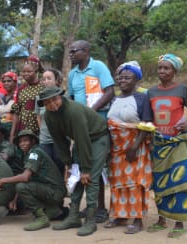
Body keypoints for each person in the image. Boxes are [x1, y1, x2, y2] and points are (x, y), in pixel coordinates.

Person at [38, 87, 110, 236]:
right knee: (76, 178)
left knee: (90, 177)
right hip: (81, 141)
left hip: (97, 138)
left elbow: (83, 138)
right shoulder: (49, 117)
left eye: (55, 99)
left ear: (60, 97)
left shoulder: (73, 111)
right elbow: (59, 141)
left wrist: (85, 168)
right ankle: (73, 217)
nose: (53, 104)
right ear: (44, 105)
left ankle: (90, 220)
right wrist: (69, 163)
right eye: (48, 103)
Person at [146, 54, 187, 238]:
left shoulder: (183, 89)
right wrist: (148, 138)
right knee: (160, 183)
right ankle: (162, 219)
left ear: (175, 71)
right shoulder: (151, 92)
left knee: (179, 183)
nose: (162, 71)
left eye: (167, 68)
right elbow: (148, 119)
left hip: (178, 143)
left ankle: (179, 221)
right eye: (160, 68)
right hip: (159, 144)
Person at [68, 40, 115, 223]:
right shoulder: (72, 74)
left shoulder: (98, 67)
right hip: (81, 129)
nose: (71, 54)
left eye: (74, 51)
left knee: (98, 168)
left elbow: (110, 91)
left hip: (98, 126)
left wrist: (90, 112)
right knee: (83, 168)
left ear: (86, 51)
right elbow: (71, 99)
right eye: (70, 51)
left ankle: (101, 209)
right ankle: (89, 207)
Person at [103, 62, 153, 234]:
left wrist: (135, 146)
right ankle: (119, 215)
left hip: (134, 147)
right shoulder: (115, 98)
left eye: (127, 77)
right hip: (116, 148)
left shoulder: (142, 98)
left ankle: (138, 219)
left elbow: (146, 124)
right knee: (118, 183)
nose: (122, 80)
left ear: (136, 80)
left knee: (136, 183)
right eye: (120, 77)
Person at [0, 130, 67, 231]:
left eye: (25, 140)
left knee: (21, 187)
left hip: (54, 192)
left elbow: (24, 178)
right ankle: (54, 210)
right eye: (20, 142)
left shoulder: (35, 153)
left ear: (33, 141)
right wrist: (14, 200)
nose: (22, 144)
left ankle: (41, 218)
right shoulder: (29, 153)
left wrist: (2, 180)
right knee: (22, 185)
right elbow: (26, 178)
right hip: (51, 190)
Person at [35, 68, 65, 176]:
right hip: (44, 139)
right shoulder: (39, 97)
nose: (45, 81)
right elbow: (38, 117)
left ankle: (61, 188)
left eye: (49, 78)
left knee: (59, 163)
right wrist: (42, 132)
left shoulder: (62, 96)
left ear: (57, 80)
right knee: (47, 164)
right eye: (44, 79)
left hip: (60, 138)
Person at [10, 57, 44, 141]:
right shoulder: (21, 89)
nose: (25, 74)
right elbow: (16, 112)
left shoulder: (43, 87)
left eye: (29, 71)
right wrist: (12, 133)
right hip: (22, 125)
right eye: (23, 71)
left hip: (38, 126)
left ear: (36, 71)